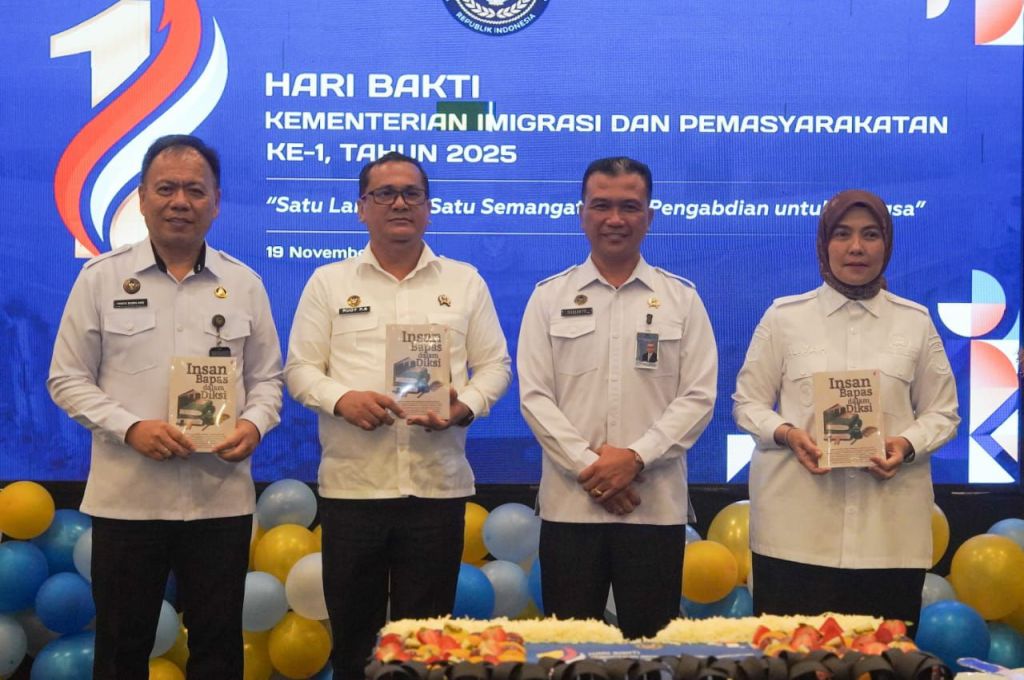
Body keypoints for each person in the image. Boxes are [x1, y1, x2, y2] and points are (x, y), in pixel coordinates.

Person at [48, 134, 283, 679]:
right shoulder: (101, 279)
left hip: (219, 502)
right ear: (141, 198)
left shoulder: (244, 284)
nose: (181, 201)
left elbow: (268, 380)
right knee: (121, 648)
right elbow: (66, 379)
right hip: (129, 501)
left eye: (195, 190)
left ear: (216, 202)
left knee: (218, 649)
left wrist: (253, 424)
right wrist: (130, 428)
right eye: (166, 188)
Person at [285, 152, 511, 677]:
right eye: (384, 193)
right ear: (362, 207)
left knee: (425, 651)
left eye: (412, 193)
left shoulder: (465, 281)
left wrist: (464, 406)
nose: (399, 203)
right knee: (354, 646)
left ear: (428, 207)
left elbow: (496, 366)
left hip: (436, 491)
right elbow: (300, 370)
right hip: (354, 492)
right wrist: (342, 400)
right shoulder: (328, 282)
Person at [733, 189, 959, 635]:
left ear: (887, 244)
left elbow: (944, 412)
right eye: (843, 234)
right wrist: (786, 433)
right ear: (824, 243)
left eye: (870, 234)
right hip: (795, 538)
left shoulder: (915, 322)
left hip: (888, 541)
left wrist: (905, 445)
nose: (857, 247)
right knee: (791, 662)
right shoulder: (784, 318)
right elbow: (747, 403)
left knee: (882, 664)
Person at [518, 157, 717, 638]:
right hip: (571, 508)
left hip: (653, 507)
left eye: (629, 206)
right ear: (581, 214)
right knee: (569, 651)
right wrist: (593, 469)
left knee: (651, 649)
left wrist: (635, 459)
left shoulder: (681, 299)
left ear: (649, 216)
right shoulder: (548, 297)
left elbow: (698, 396)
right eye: (601, 205)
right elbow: (535, 397)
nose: (615, 219)